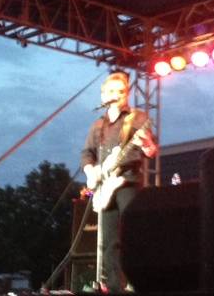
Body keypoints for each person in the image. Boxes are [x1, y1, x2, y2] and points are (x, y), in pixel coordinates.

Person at [81, 72, 157, 293]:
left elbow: (151, 151)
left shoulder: (137, 117)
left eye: (121, 92)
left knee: (132, 233)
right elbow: (87, 153)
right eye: (112, 91)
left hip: (128, 181)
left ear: (127, 94)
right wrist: (91, 171)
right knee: (109, 241)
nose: (117, 95)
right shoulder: (98, 125)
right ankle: (115, 287)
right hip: (105, 186)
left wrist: (147, 145)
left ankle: (138, 284)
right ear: (104, 95)